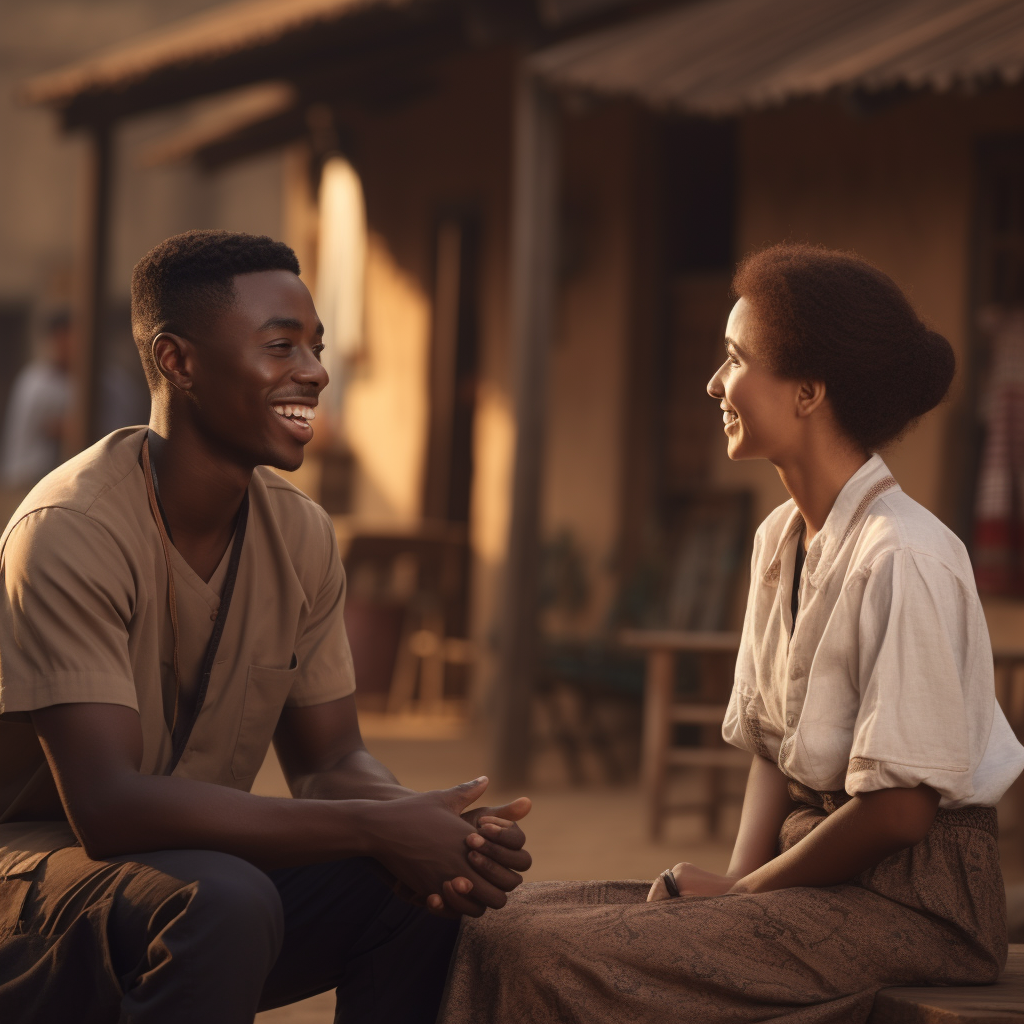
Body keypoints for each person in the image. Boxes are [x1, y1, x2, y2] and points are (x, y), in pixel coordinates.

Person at [439, 243, 1024, 1024]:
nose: (716, 382)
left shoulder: (907, 555)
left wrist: (744, 896)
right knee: (498, 924)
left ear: (810, 391)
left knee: (543, 954)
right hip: (811, 884)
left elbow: (900, 812)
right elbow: (770, 754)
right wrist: (727, 901)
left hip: (916, 907)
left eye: (736, 358)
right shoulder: (780, 538)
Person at [0, 230, 532, 1024]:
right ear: (178, 363)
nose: (315, 372)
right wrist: (374, 825)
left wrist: (429, 828)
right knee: (225, 900)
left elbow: (331, 760)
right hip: (30, 884)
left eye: (315, 347)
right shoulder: (69, 528)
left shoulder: (302, 535)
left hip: (186, 876)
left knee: (423, 889)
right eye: (281, 346)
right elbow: (107, 808)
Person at [0, 309, 74, 489]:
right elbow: (58, 428)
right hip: (26, 480)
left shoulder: (76, 379)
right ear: (57, 338)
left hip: (50, 480)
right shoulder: (35, 381)